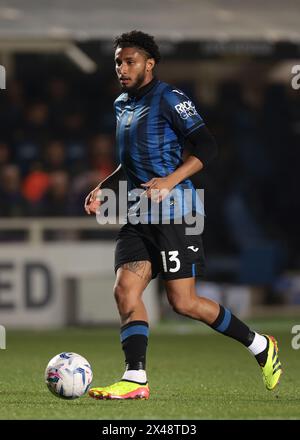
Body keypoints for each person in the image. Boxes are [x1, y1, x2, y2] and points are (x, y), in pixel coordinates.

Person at [84, 30, 282, 400]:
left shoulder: (170, 98)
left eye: (130, 61)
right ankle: (135, 379)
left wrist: (170, 181)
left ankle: (260, 345)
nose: (122, 68)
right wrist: (105, 186)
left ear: (150, 63)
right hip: (139, 215)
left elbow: (208, 145)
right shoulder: (121, 104)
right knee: (125, 291)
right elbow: (130, 163)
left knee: (183, 303)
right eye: (117, 62)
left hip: (177, 213)